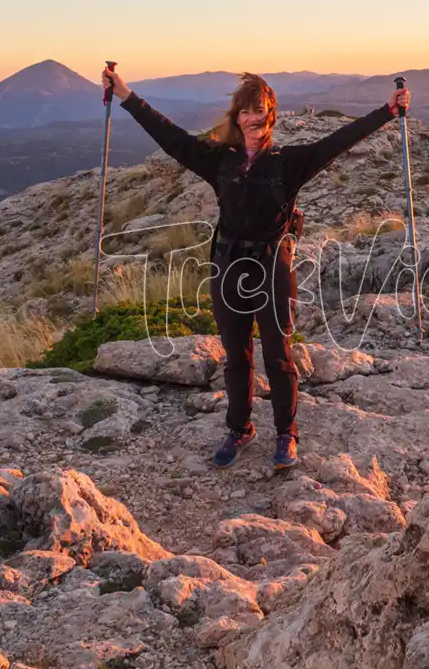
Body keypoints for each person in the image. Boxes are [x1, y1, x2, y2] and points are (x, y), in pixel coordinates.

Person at [102, 68, 409, 470]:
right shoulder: (219, 160)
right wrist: (126, 95)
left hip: (272, 266)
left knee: (278, 354)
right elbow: (171, 137)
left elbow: (338, 141)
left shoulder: (290, 162)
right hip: (229, 265)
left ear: (271, 115)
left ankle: (286, 434)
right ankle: (240, 427)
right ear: (237, 117)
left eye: (260, 110)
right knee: (236, 354)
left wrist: (388, 111)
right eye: (245, 111)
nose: (253, 118)